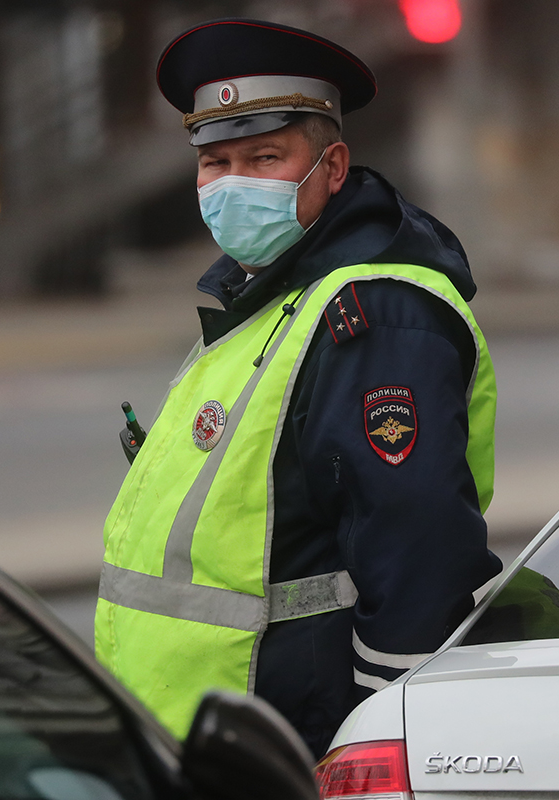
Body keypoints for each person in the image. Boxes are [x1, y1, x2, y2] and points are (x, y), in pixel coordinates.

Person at [95, 18, 502, 756]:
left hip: (283, 746)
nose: (233, 184)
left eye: (264, 157)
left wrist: (378, 749)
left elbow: (417, 560)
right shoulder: (267, 296)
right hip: (199, 741)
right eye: (215, 162)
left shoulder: (372, 314)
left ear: (332, 166)